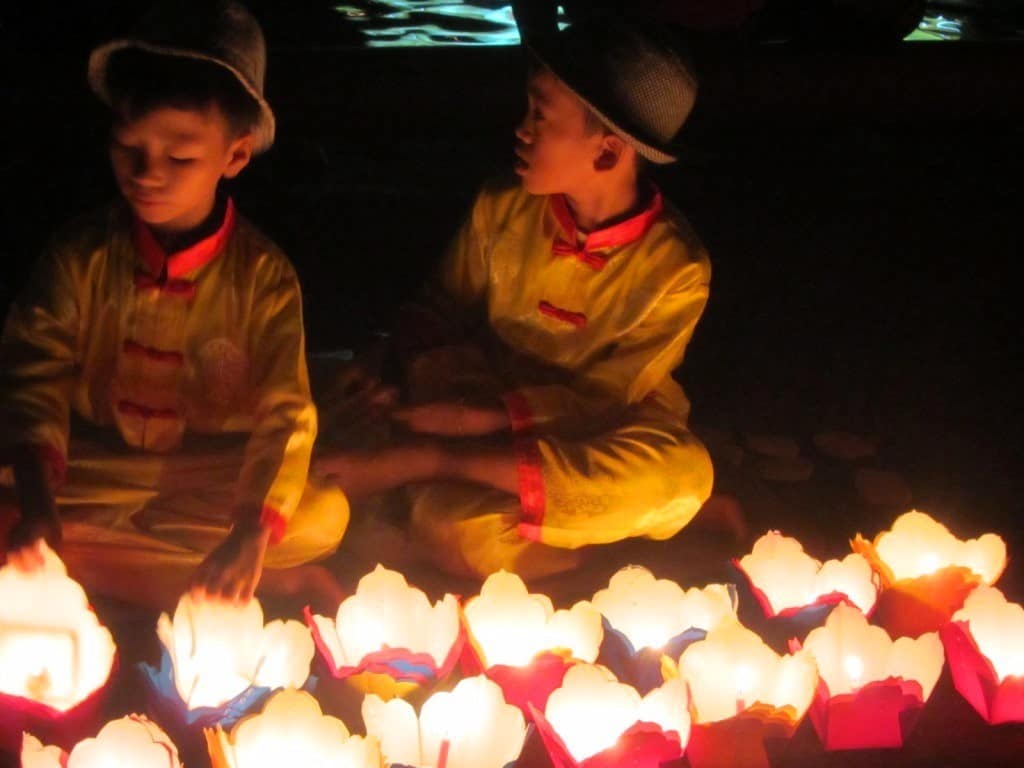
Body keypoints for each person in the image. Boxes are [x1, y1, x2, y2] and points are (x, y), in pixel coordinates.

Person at [318, 17, 715, 580]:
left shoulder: (676, 267)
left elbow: (608, 396)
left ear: (606, 153)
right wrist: (381, 360)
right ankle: (541, 527)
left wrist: (458, 436)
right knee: (437, 510)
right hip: (473, 397)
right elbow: (439, 307)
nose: (521, 130)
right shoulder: (501, 207)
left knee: (682, 475)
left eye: (540, 116)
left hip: (581, 432)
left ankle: (429, 477)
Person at [0, 0, 348, 609]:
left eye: (179, 157)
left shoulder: (264, 278)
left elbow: (285, 416)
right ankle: (238, 582)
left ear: (235, 156)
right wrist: (38, 500)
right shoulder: (79, 254)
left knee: (321, 514)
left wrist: (249, 531)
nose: (145, 173)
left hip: (210, 477)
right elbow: (34, 374)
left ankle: (92, 565)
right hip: (94, 469)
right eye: (126, 147)